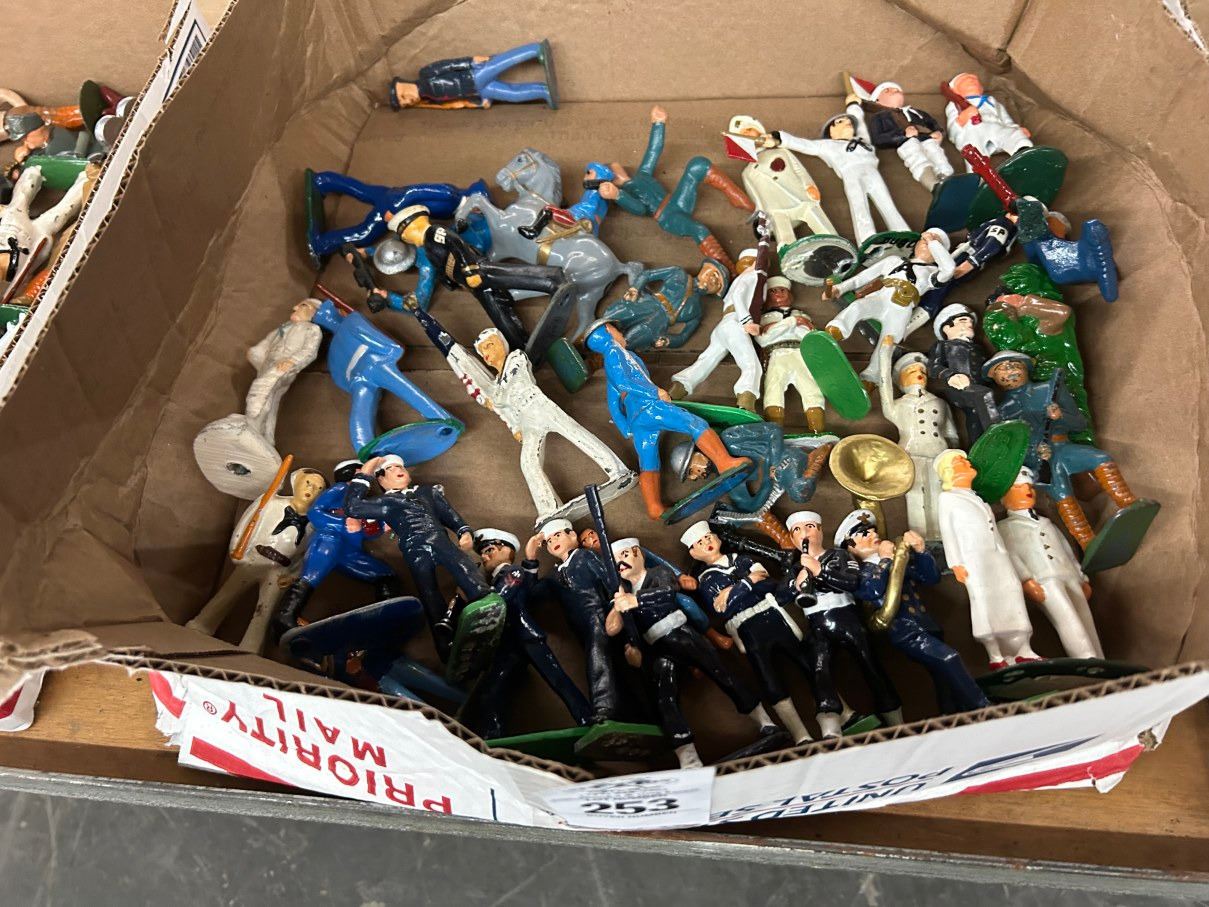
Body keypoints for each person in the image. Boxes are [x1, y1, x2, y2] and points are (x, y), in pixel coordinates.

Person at [607, 537, 783, 768]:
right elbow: (612, 629)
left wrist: (635, 600)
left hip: (682, 635)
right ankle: (687, 756)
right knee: (664, 699)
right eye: (616, 561)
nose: (621, 563)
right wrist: (629, 637)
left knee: (722, 674)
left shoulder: (658, 573)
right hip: (658, 649)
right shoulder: (624, 594)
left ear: (638, 553)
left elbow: (667, 593)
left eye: (624, 556)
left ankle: (764, 721)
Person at [584, 319, 750, 520]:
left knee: (648, 461)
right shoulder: (614, 352)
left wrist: (625, 427)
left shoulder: (613, 361)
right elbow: (625, 383)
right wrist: (655, 392)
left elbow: (613, 401)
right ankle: (724, 463)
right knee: (695, 424)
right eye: (617, 330)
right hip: (650, 407)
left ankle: (654, 508)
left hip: (637, 420)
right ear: (608, 330)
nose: (621, 334)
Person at [343, 455, 501, 658]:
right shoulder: (385, 502)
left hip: (439, 540)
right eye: (390, 469)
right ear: (381, 480)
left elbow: (449, 514)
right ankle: (445, 643)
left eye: (400, 466)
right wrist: (366, 472)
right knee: (428, 592)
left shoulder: (427, 492)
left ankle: (483, 598)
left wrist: (464, 531)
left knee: (462, 565)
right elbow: (352, 507)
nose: (398, 470)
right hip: (414, 549)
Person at [984, 351, 1139, 548]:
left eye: (1014, 365)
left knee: (1101, 458)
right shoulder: (1002, 411)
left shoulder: (1049, 391)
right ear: (994, 377)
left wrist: (1060, 416)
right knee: (1062, 495)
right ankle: (1087, 542)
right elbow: (1010, 447)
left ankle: (1128, 503)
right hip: (1039, 461)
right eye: (1001, 370)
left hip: (1062, 447)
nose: (1009, 372)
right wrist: (1033, 452)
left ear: (1026, 368)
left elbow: (1079, 424)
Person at [683, 520, 815, 743]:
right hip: (747, 629)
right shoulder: (707, 579)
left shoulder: (742, 559)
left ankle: (838, 713)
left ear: (718, 538)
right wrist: (749, 581)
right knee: (769, 679)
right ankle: (800, 733)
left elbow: (768, 584)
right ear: (694, 553)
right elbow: (723, 608)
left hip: (772, 615)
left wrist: (734, 589)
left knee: (807, 662)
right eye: (700, 542)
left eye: (709, 537)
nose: (707, 542)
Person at [390, 204, 574, 359]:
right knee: (497, 311)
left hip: (477, 270)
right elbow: (442, 266)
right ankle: (521, 345)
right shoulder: (427, 247)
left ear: (414, 226)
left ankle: (552, 280)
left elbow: (456, 244)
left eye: (404, 234)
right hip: (472, 284)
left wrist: (470, 270)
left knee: (512, 275)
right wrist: (449, 281)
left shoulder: (434, 232)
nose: (406, 239)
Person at [848, 518, 990, 714]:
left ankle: (950, 715)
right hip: (905, 631)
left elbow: (930, 578)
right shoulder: (862, 574)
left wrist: (921, 551)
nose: (873, 535)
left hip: (927, 625)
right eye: (864, 534)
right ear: (851, 547)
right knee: (949, 658)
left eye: (873, 531)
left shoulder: (900, 560)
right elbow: (871, 591)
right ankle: (982, 707)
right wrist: (885, 560)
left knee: (942, 676)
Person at [469, 529, 593, 739]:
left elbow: (501, 599)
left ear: (506, 551)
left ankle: (586, 718)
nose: (485, 556)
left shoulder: (513, 573)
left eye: (489, 550)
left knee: (557, 678)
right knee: (492, 688)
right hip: (507, 644)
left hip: (526, 635)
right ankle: (493, 734)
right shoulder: (495, 580)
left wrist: (477, 593)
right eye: (483, 553)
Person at [188, 468, 327, 654]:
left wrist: (293, 575)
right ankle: (203, 623)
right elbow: (245, 526)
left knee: (265, 611)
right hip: (254, 558)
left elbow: (307, 555)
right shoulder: (270, 502)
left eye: (319, 488)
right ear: (296, 482)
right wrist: (236, 551)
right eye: (308, 483)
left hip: (279, 571)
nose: (311, 489)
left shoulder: (317, 524)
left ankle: (251, 646)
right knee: (227, 595)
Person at [790, 510, 904, 735]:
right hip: (816, 624)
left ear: (820, 531)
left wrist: (820, 572)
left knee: (870, 665)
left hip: (846, 618)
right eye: (797, 530)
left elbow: (852, 582)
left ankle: (896, 720)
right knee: (819, 670)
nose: (805, 534)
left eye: (810, 527)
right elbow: (781, 594)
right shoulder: (795, 567)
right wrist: (795, 584)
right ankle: (831, 727)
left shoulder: (839, 556)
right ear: (792, 538)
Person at [610, 105, 753, 273]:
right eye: (611, 173)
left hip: (676, 200)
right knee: (698, 230)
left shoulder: (642, 174)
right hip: (667, 217)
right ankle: (729, 271)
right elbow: (640, 209)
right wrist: (617, 195)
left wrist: (658, 123)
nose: (616, 170)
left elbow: (654, 150)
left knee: (697, 164)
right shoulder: (625, 194)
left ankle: (740, 199)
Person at [935, 449, 1040, 669]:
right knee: (984, 599)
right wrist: (955, 562)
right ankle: (996, 654)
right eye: (960, 462)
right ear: (948, 472)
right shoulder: (948, 499)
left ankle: (1023, 648)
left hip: (997, 554)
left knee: (1011, 591)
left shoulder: (977, 498)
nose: (967, 463)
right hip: (973, 557)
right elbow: (948, 531)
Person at [762, 89, 909, 243]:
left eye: (849, 122)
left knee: (887, 203)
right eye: (840, 122)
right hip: (851, 173)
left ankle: (903, 234)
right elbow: (804, 145)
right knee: (859, 206)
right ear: (831, 132)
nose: (847, 123)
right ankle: (867, 240)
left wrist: (853, 104)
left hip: (872, 171)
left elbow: (859, 121)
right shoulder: (828, 146)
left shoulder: (862, 139)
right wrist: (779, 139)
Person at [275, 460, 401, 633]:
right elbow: (315, 513)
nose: (371, 475)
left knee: (385, 574)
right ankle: (286, 615)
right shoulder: (341, 489)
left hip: (349, 551)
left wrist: (381, 527)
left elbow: (367, 532)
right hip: (329, 540)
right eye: (365, 471)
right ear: (354, 473)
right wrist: (344, 523)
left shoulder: (366, 502)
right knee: (311, 575)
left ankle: (386, 616)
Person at [823, 229, 955, 386]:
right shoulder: (893, 261)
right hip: (881, 298)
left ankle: (871, 378)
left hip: (901, 310)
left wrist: (933, 242)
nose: (926, 243)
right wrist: (840, 289)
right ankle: (836, 331)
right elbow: (862, 278)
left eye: (934, 242)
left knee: (888, 343)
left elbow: (949, 269)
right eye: (923, 240)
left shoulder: (932, 273)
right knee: (858, 306)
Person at [998, 468, 1103, 660]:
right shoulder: (1005, 527)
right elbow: (1011, 556)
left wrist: (1081, 576)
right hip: (1045, 579)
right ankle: (1086, 659)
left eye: (1029, 487)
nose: (1027, 491)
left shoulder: (1046, 522)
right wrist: (1026, 580)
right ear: (1004, 498)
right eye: (1019, 488)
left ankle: (1100, 658)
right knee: (1068, 620)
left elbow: (1067, 550)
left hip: (1068, 574)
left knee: (1085, 618)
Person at [534, 517, 620, 724]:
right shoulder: (553, 576)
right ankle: (622, 711)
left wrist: (617, 605)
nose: (553, 542)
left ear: (572, 535)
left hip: (599, 617)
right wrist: (530, 560)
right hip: (580, 628)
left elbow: (609, 580)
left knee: (598, 659)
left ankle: (604, 708)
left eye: (557, 535)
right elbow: (534, 596)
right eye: (549, 541)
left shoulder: (584, 556)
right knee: (606, 664)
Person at [305, 170, 488, 261]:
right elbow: (416, 191)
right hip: (397, 204)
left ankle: (325, 180)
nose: (477, 214)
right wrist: (395, 208)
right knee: (365, 234)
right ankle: (322, 243)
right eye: (479, 210)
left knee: (363, 191)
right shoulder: (450, 195)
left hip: (396, 198)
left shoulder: (454, 210)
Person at [878, 349, 960, 542]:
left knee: (941, 493)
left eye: (922, 370)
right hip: (910, 454)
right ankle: (921, 540)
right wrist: (884, 354)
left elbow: (951, 433)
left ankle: (943, 537)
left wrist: (954, 455)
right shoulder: (897, 405)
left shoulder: (939, 402)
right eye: (911, 371)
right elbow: (884, 385)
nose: (919, 374)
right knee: (916, 496)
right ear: (900, 380)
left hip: (939, 452)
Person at [669, 247, 764, 411]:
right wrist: (747, 321)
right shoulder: (751, 276)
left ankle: (676, 391)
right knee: (751, 365)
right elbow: (738, 296)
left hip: (723, 325)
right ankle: (746, 404)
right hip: (735, 322)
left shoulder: (738, 279)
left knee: (705, 361)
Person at [727, 113, 834, 250]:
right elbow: (756, 197)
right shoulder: (748, 173)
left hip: (798, 196)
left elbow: (799, 170)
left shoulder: (781, 152)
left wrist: (809, 185)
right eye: (741, 136)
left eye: (748, 130)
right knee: (782, 229)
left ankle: (832, 242)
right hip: (775, 207)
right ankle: (788, 250)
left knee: (814, 215)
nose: (746, 135)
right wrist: (763, 216)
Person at [598, 260, 728, 352]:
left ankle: (602, 359)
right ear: (705, 268)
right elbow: (647, 275)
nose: (712, 279)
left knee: (628, 343)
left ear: (715, 292)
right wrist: (635, 289)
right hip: (647, 303)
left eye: (717, 283)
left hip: (656, 325)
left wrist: (667, 340)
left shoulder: (696, 311)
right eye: (713, 273)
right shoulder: (678, 273)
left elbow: (683, 337)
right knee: (613, 317)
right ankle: (591, 339)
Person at [390, 40, 557, 110]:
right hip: (479, 91)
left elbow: (449, 64)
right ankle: (543, 91)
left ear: (403, 86)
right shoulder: (431, 99)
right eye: (405, 104)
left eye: (402, 97)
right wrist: (479, 103)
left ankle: (536, 49)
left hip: (475, 75)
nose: (408, 101)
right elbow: (459, 101)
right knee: (512, 94)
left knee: (503, 62)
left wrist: (471, 61)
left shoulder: (425, 74)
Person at [855, 76, 954, 190]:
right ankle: (932, 184)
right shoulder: (879, 117)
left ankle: (947, 177)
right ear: (877, 100)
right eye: (887, 90)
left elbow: (930, 121)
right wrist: (903, 135)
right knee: (914, 154)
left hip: (926, 138)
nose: (894, 90)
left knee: (935, 151)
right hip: (906, 142)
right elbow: (878, 139)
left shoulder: (913, 112)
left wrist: (939, 132)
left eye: (897, 89)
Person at [754, 276, 825, 428]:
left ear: (789, 294)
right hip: (777, 355)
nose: (778, 293)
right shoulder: (765, 317)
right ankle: (774, 429)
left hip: (801, 355)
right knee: (774, 390)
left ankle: (818, 430)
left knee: (812, 389)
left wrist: (778, 327)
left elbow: (809, 335)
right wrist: (793, 322)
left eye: (782, 290)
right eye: (773, 291)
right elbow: (764, 339)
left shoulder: (802, 314)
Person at [927, 303, 1000, 444]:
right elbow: (933, 367)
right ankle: (997, 434)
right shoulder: (943, 346)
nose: (969, 324)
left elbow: (986, 368)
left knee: (975, 418)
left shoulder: (978, 348)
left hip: (977, 388)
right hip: (958, 388)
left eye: (971, 321)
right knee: (984, 395)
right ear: (947, 328)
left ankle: (978, 448)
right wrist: (949, 375)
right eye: (963, 321)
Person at [943, 72, 1034, 167]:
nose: (971, 81)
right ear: (955, 90)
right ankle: (979, 170)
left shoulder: (992, 101)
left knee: (1016, 135)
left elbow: (1005, 119)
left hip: (997, 129)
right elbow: (952, 130)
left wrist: (1015, 128)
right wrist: (964, 117)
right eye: (964, 81)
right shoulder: (954, 105)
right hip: (973, 132)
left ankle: (1024, 154)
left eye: (975, 80)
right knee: (973, 147)